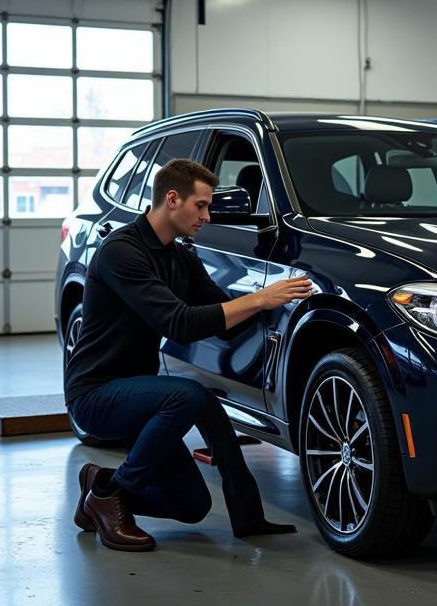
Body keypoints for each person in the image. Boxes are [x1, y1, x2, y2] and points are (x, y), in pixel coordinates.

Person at [64, 157, 312, 551]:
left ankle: (243, 515)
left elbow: (222, 316)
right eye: (202, 206)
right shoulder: (120, 252)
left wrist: (281, 306)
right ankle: (108, 497)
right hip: (96, 396)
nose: (208, 217)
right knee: (190, 394)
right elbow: (179, 323)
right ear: (173, 199)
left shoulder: (181, 256)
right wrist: (260, 298)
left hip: (139, 395)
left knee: (191, 504)